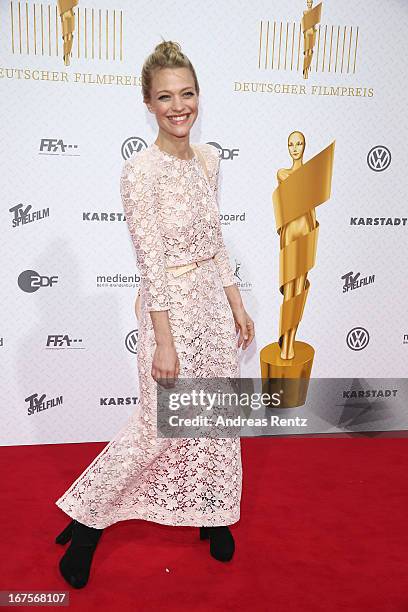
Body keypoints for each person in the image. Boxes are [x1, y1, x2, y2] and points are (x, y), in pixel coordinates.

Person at [54, 40, 255, 589]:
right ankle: (87, 523)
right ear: (148, 102)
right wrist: (164, 340)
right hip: (171, 312)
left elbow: (214, 241)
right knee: (157, 426)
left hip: (213, 307)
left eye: (186, 93)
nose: (178, 105)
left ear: (198, 96)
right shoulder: (139, 172)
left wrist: (236, 301)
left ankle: (214, 516)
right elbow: (152, 261)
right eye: (165, 96)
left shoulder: (210, 159)